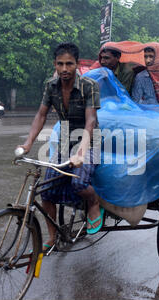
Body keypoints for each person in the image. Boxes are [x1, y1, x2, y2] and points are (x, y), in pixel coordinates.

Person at [16, 42, 103, 251]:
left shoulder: (89, 86)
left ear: (77, 64)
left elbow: (91, 121)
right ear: (55, 64)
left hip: (90, 140)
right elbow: (41, 115)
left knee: (78, 184)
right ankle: (52, 236)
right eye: (60, 64)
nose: (64, 69)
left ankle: (93, 204)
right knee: (45, 191)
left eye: (69, 64)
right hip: (65, 138)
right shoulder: (50, 85)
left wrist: (81, 152)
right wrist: (27, 145)